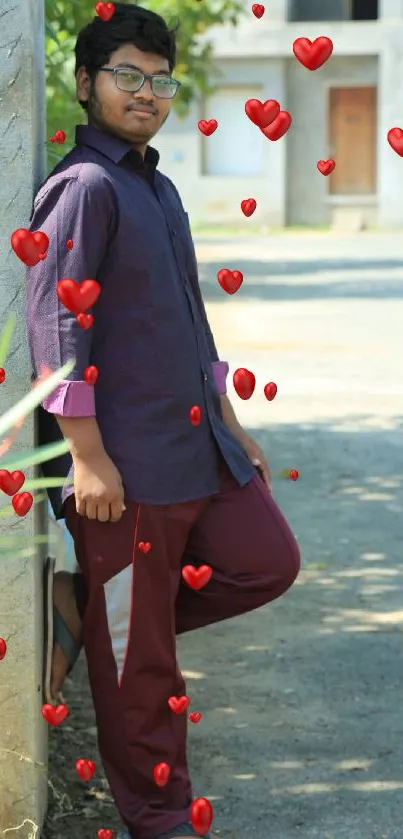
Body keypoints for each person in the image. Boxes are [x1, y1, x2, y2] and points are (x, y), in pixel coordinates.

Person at [26, 5, 301, 838]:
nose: (147, 93)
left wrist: (229, 418)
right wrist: (87, 457)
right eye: (127, 76)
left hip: (195, 443)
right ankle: (161, 819)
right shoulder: (84, 188)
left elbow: (188, 315)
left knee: (266, 560)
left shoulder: (156, 184)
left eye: (159, 79)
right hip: (125, 469)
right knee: (141, 664)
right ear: (86, 84)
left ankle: (85, 615)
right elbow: (57, 330)